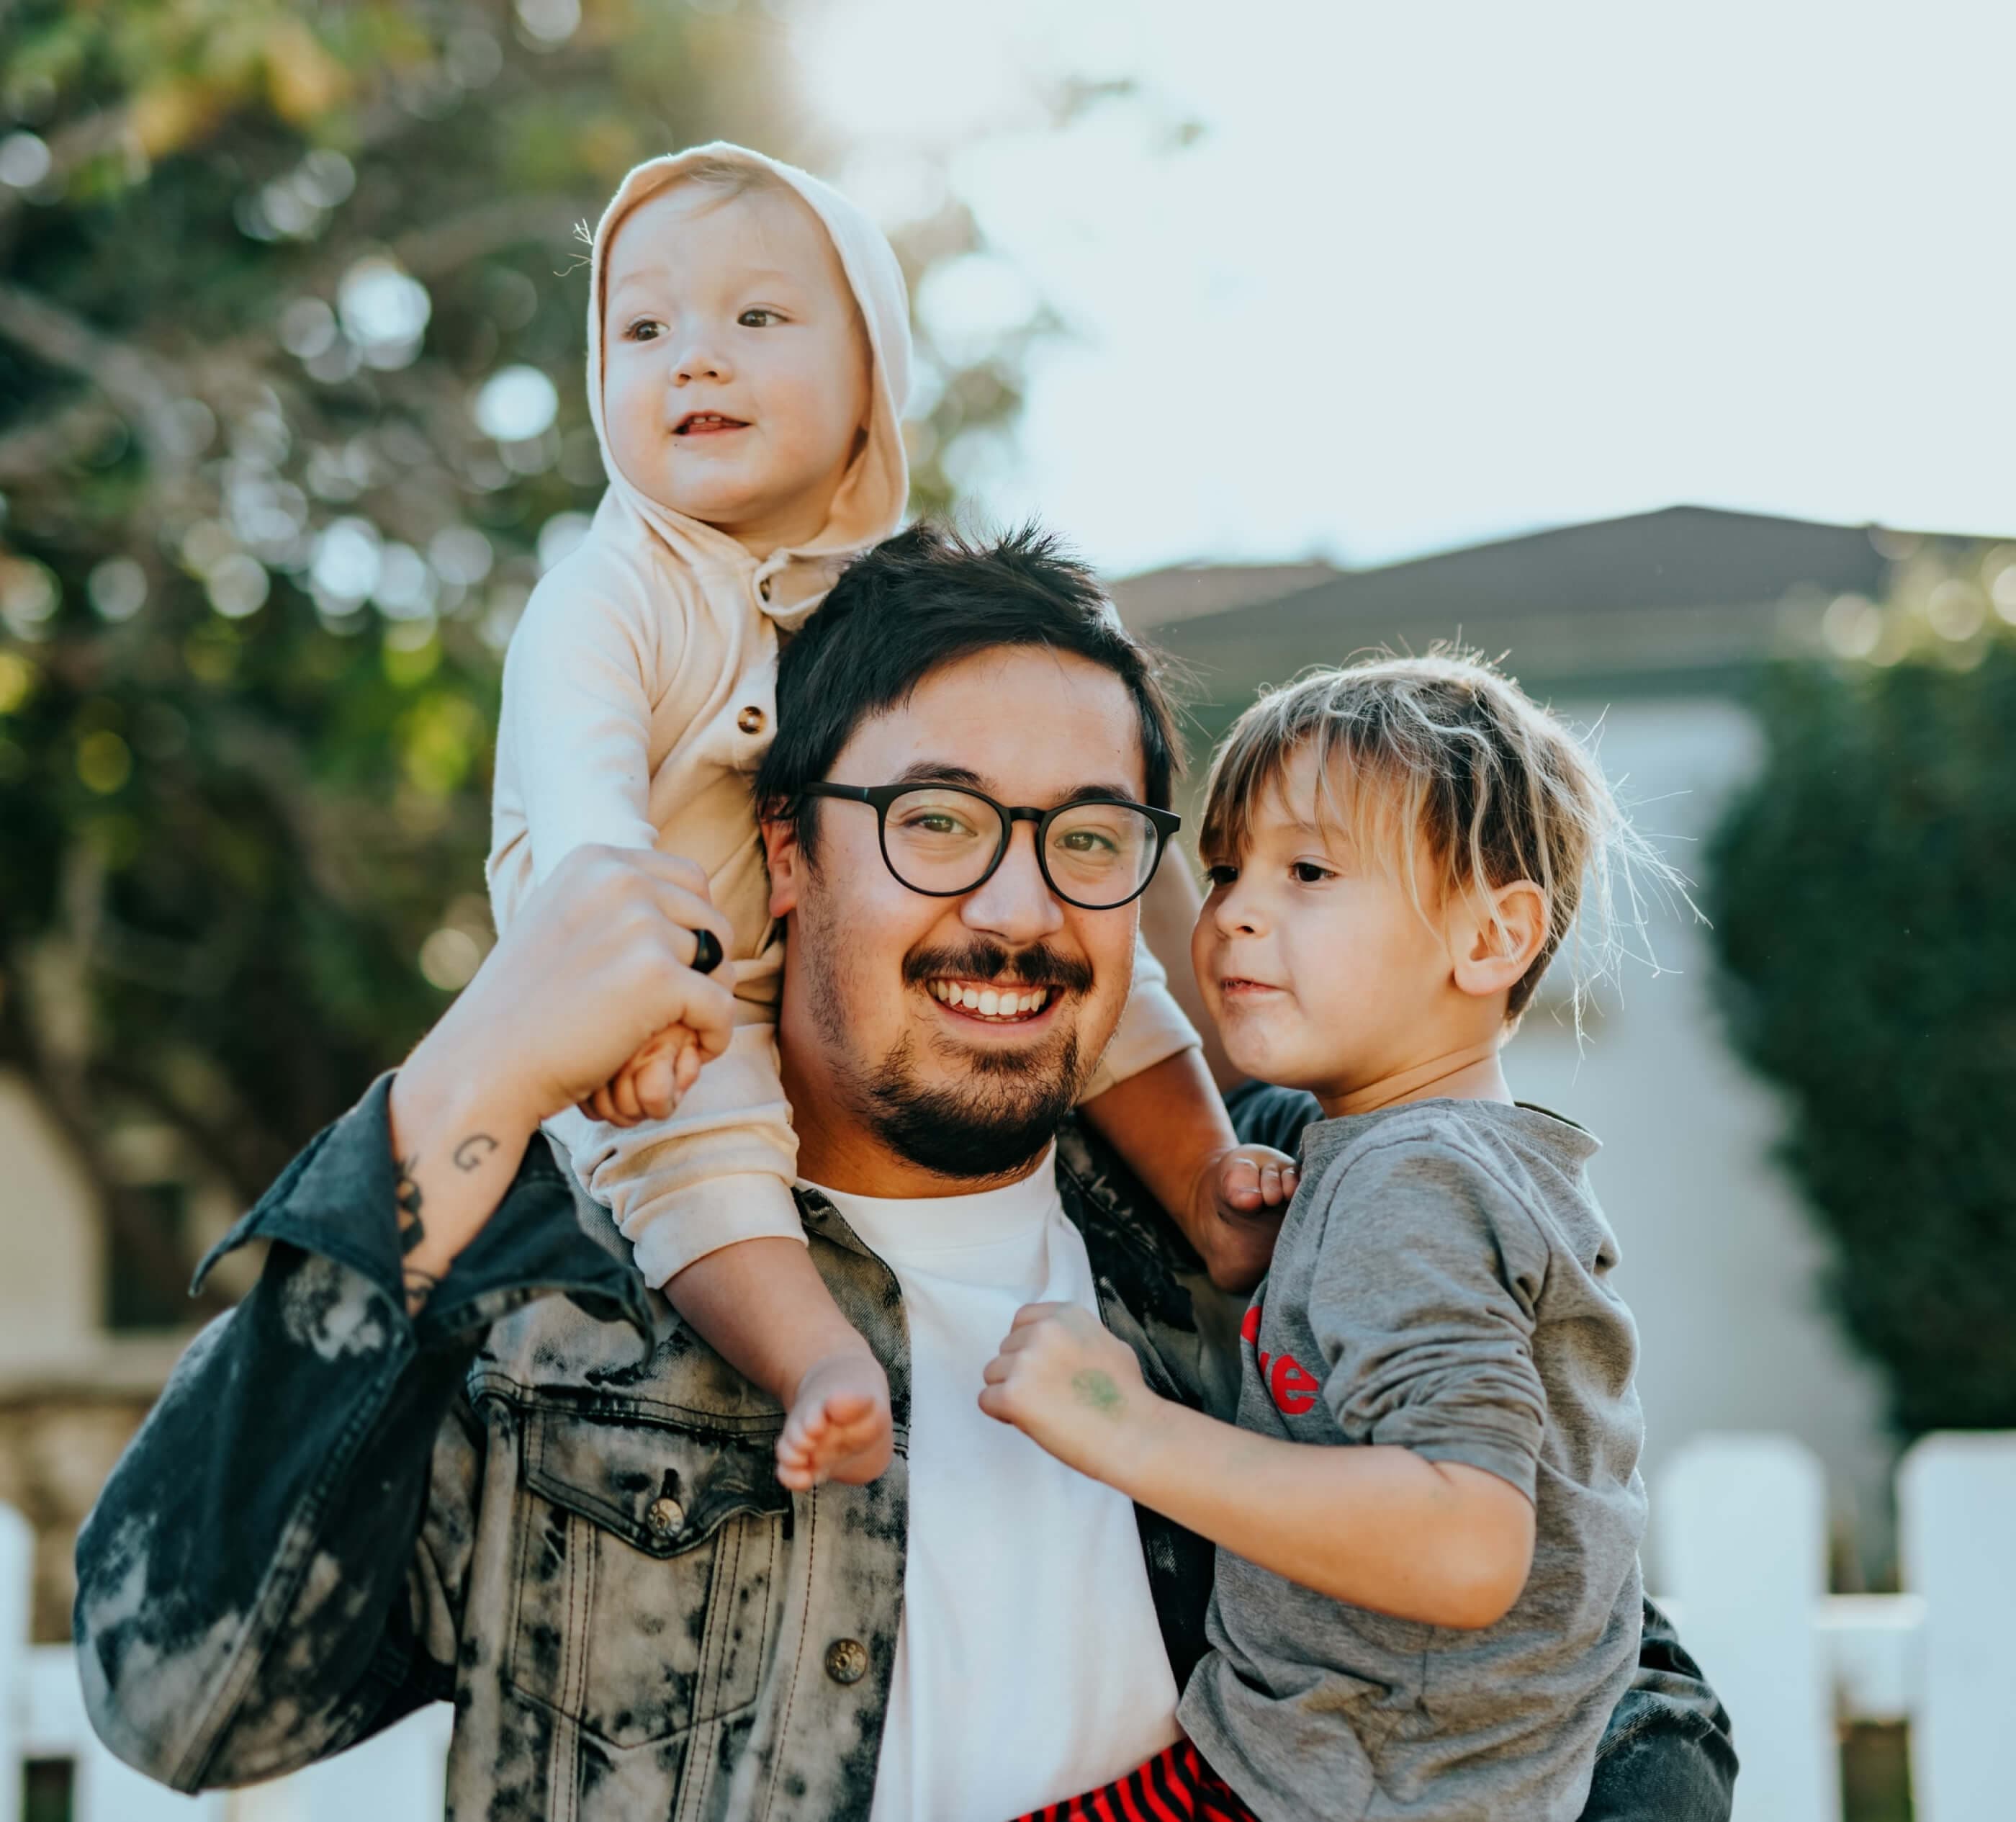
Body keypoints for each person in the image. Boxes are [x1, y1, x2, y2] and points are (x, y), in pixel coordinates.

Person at [73, 528, 1734, 1821]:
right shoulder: (552, 1275)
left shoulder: (1252, 1217)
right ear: (786, 852)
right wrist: (472, 1070)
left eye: (1087, 837)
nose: (1015, 907)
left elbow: (1602, 1657)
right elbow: (182, 1688)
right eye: (936, 820)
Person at [487, 143, 1290, 1494]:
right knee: (700, 1155)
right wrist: (631, 1006)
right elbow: (587, 835)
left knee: (1111, 970)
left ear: (873, 377)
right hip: (661, 999)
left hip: (784, 971)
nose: (695, 358)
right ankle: (817, 1358)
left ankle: (1209, 1188)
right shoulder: (607, 596)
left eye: (756, 319)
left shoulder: (893, 604)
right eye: (644, 329)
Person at [984, 653, 1680, 1820]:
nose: (1236, 910)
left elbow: (1467, 1541)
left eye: (1307, 868)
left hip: (1341, 1783)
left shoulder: (1409, 1181)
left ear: (1493, 936)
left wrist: (1122, 1426)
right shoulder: (1444, 1159)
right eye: (1224, 868)